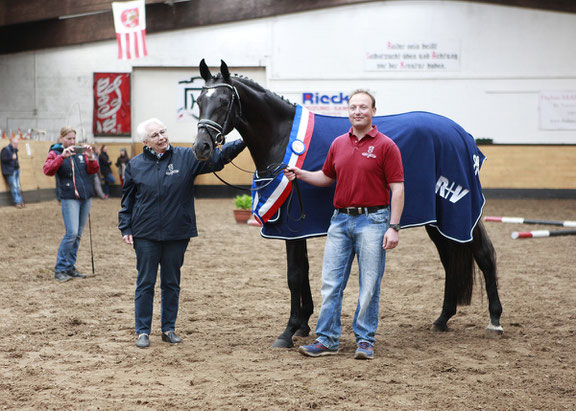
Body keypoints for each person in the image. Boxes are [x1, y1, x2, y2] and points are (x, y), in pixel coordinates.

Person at [284, 90, 405, 360]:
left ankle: (365, 340)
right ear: (348, 112)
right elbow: (327, 177)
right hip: (339, 222)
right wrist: (301, 174)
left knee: (370, 284)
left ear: (374, 111)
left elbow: (397, 189)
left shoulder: (387, 146)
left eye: (363, 107)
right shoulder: (338, 143)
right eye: (353, 107)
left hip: (374, 221)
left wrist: (393, 227)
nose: (358, 111)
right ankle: (327, 340)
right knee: (330, 284)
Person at [118, 118, 245, 349]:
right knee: (145, 282)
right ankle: (143, 331)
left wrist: (243, 141)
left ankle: (168, 328)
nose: (162, 137)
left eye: (163, 132)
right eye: (155, 135)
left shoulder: (187, 157)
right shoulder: (135, 165)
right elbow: (127, 199)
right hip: (145, 233)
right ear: (145, 142)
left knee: (171, 282)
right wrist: (125, 226)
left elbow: (217, 159)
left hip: (177, 232)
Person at [43, 127, 100, 282]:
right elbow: (47, 170)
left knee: (78, 234)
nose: (72, 141)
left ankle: (70, 266)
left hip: (85, 196)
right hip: (69, 197)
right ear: (61, 138)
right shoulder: (55, 153)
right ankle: (60, 269)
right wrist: (62, 157)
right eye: (69, 138)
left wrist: (91, 158)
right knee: (71, 233)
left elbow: (93, 171)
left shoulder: (80, 152)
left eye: (73, 138)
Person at [1, 137, 24, 208]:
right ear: (11, 143)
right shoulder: (5, 149)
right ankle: (17, 202)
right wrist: (11, 157)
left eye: (17, 143)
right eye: (15, 143)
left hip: (16, 170)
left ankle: (20, 201)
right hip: (10, 171)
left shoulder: (14, 150)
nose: (16, 145)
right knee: (14, 187)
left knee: (17, 186)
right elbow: (3, 159)